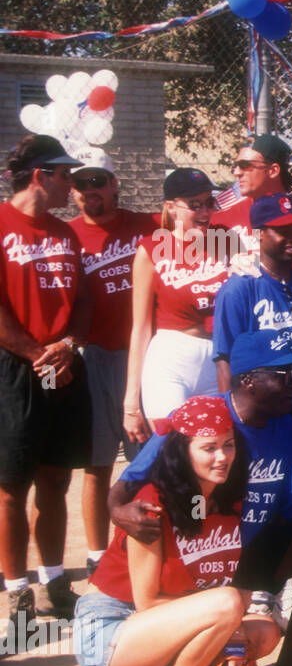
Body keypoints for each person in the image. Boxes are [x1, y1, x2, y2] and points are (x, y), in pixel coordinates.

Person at [110, 330, 292, 666]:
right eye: (284, 375)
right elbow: (128, 483)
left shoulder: (287, 427)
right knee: (207, 625)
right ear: (249, 379)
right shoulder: (203, 419)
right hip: (203, 556)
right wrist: (117, 510)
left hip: (250, 549)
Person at [73, 396, 280, 666]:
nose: (222, 457)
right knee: (229, 604)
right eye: (208, 448)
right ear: (182, 451)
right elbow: (148, 602)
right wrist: (235, 605)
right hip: (110, 632)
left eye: (228, 445)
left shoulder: (228, 500)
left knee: (264, 632)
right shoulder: (152, 504)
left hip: (160, 626)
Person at [0, 135, 92, 624]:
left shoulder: (66, 234)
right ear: (40, 175)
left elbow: (84, 301)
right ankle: (17, 592)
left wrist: (68, 345)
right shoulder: (2, 224)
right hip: (16, 368)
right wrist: (38, 354)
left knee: (56, 477)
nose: (72, 186)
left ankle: (54, 581)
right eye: (65, 176)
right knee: (11, 484)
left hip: (62, 365)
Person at [67, 148, 156, 577]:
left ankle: (145, 537)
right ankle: (96, 551)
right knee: (98, 461)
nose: (90, 192)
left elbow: (204, 233)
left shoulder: (146, 225)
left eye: (97, 182)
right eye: (81, 184)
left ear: (114, 183)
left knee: (148, 457)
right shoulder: (68, 236)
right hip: (98, 356)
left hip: (147, 356)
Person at [212, 194, 292, 467]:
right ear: (259, 235)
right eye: (282, 230)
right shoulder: (240, 289)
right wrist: (233, 422)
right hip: (261, 413)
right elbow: (224, 361)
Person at [123, 167, 229, 441]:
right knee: (169, 446)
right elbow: (141, 328)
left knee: (214, 444)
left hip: (218, 356)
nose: (205, 211)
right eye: (194, 205)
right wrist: (131, 400)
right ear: (171, 207)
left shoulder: (225, 240)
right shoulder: (152, 248)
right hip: (171, 355)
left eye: (209, 202)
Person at [211, 133, 292, 255]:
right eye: (236, 166)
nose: (237, 172)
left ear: (273, 170)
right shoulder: (220, 222)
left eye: (245, 165)